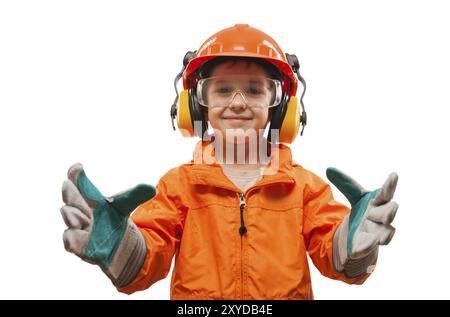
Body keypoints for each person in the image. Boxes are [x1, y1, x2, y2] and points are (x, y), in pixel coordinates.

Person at [60, 24, 399, 299]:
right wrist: (120, 245)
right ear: (197, 104)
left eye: (254, 90)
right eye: (222, 90)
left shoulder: (304, 187)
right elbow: (145, 262)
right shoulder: (178, 187)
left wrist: (355, 247)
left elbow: (337, 257)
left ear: (280, 107)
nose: (238, 103)